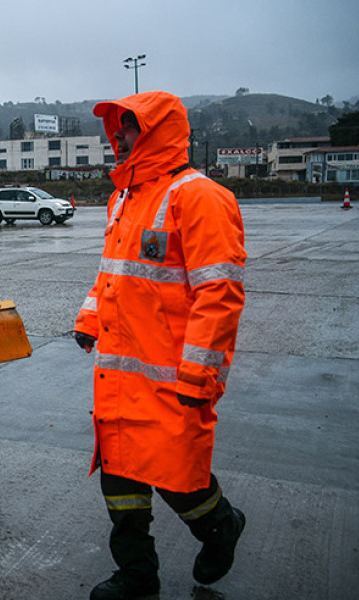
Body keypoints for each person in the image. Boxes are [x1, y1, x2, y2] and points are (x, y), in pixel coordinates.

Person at [73, 91, 247, 600]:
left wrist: (200, 375)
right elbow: (112, 277)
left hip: (172, 380)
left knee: (179, 478)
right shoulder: (123, 198)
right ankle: (137, 574)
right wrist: (89, 318)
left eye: (128, 128)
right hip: (120, 376)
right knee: (120, 481)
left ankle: (220, 526)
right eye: (118, 129)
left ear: (154, 132)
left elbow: (219, 294)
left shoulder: (201, 197)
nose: (118, 138)